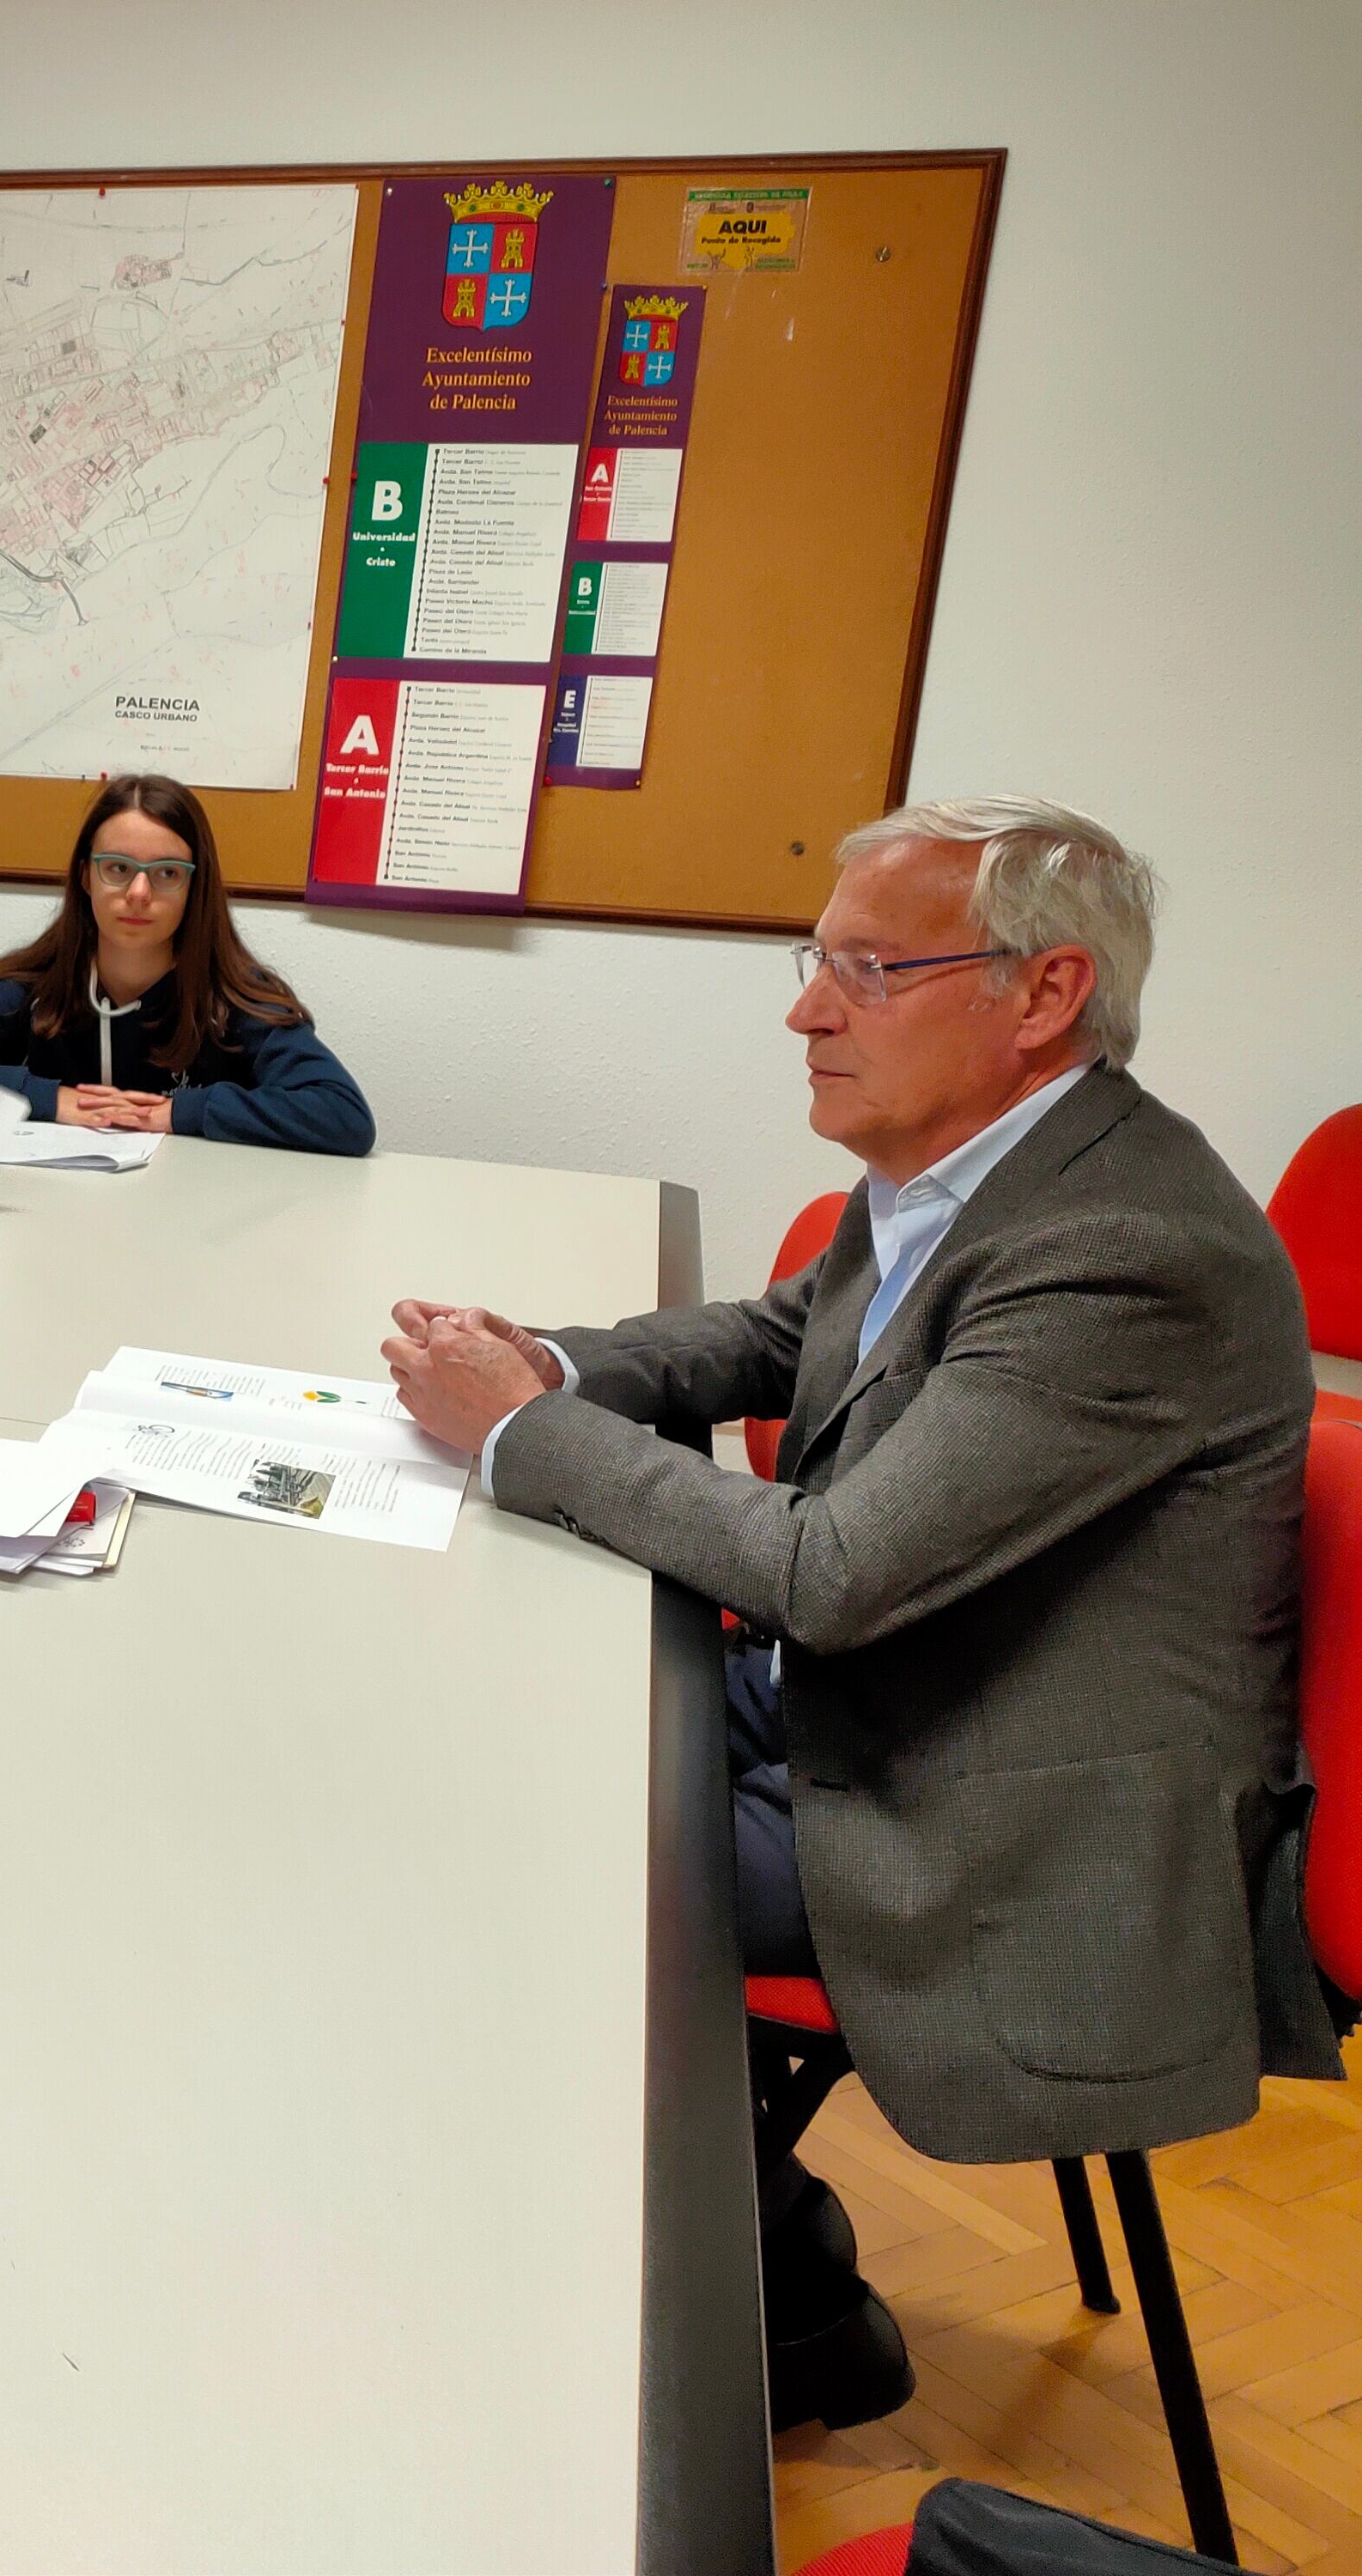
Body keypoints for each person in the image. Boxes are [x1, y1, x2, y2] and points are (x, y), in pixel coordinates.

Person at [378, 796, 1334, 2432]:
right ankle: (762, 2251)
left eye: (869, 971)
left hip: (1015, 1830)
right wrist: (544, 1362)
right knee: (475, 1739)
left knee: (494, 1848)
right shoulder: (994, 1168)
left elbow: (828, 1566)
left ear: (1042, 996)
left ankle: (748, 2301)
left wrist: (525, 1436)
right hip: (907, 1702)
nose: (808, 1010)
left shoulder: (1122, 1248)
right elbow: (776, 1331)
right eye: (816, 961)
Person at [0, 774, 374, 1152]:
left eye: (167, 874)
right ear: (86, 876)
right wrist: (46, 1098)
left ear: (195, 888)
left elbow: (342, 1115)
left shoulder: (232, 997)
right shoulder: (33, 986)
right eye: (118, 868)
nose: (139, 894)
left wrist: (178, 1112)